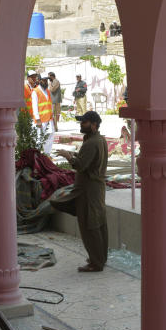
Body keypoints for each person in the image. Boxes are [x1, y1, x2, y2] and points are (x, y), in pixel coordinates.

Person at [52, 111, 109, 271]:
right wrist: (74, 154)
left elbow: (81, 165)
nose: (81, 124)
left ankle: (96, 263)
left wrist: (68, 157)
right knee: (98, 223)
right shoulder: (98, 139)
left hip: (88, 190)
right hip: (94, 189)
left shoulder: (92, 143)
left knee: (89, 225)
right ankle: (99, 258)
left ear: (93, 124)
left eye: (84, 122)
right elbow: (88, 160)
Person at [30, 73, 55, 154]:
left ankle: (47, 155)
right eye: (44, 80)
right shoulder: (35, 91)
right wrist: (37, 119)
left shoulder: (47, 91)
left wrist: (53, 118)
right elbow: (34, 107)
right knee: (39, 139)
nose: (45, 82)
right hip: (41, 120)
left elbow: (50, 105)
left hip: (49, 119)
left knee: (50, 137)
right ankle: (36, 156)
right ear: (39, 80)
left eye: (46, 80)